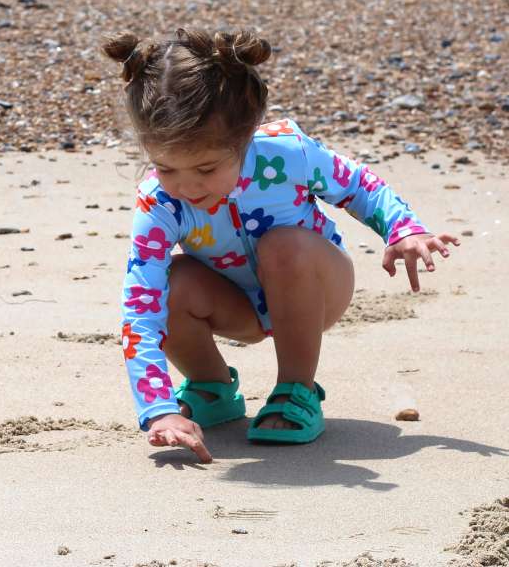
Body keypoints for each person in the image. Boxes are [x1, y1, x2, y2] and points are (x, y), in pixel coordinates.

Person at [104, 27, 460, 462]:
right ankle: (212, 388)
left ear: (244, 137)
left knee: (283, 246)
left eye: (206, 167)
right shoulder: (160, 202)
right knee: (170, 283)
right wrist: (156, 409)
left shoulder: (286, 155)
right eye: (166, 168)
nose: (186, 186)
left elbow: (360, 186)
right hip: (233, 304)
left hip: (315, 287)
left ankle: (297, 388)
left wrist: (404, 229)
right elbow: (140, 306)